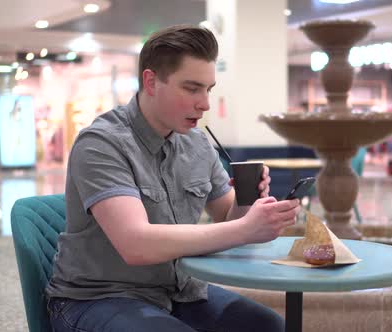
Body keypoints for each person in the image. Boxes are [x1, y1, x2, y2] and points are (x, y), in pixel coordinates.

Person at [45, 24, 301, 332]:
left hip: (178, 293)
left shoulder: (196, 142)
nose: (205, 103)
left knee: (266, 325)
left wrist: (251, 204)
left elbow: (226, 214)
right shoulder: (102, 143)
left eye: (208, 89)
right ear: (151, 82)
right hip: (97, 299)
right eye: (192, 88)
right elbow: (136, 244)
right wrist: (245, 229)